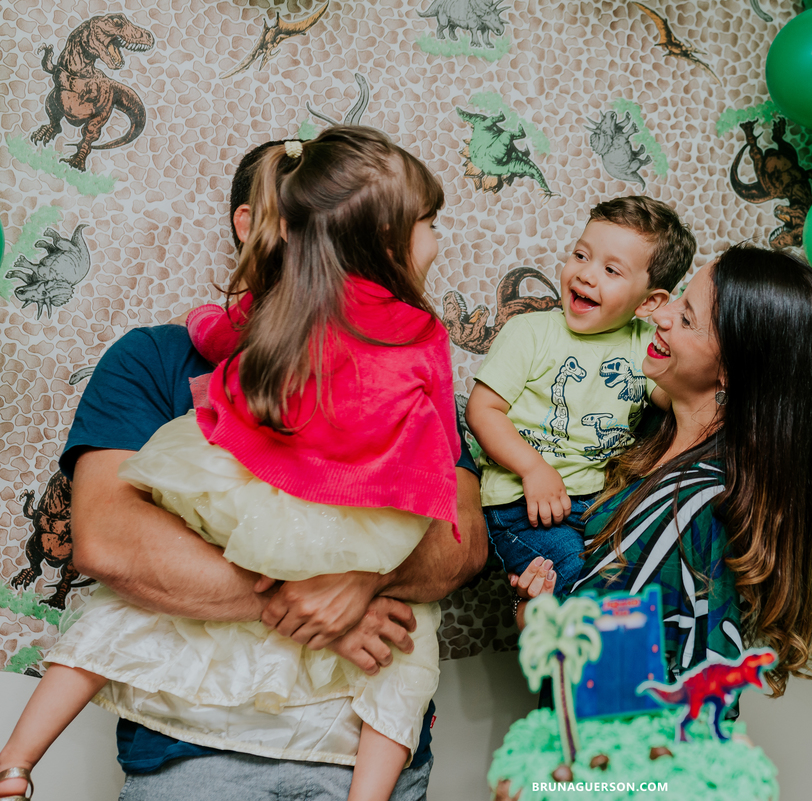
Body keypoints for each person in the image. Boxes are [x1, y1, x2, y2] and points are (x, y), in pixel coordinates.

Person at [0, 127, 488, 801]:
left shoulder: (396, 352)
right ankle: (15, 765)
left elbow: (459, 537)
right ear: (263, 224)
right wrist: (311, 596)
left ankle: (14, 762)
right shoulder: (152, 359)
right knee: (112, 616)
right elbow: (109, 540)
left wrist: (357, 584)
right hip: (198, 764)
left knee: (408, 660)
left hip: (364, 754)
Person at [513, 244, 812, 694]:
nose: (661, 315)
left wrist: (534, 615)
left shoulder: (693, 501)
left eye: (687, 318)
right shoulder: (650, 428)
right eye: (678, 299)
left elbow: (603, 675)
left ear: (731, 370)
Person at [466, 196, 696, 595]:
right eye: (580, 255)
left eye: (610, 270)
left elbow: (676, 403)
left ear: (649, 303)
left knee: (638, 579)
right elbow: (483, 410)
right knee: (579, 588)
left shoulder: (646, 344)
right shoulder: (531, 331)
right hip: (525, 506)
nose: (586, 275)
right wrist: (533, 469)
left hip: (600, 504)